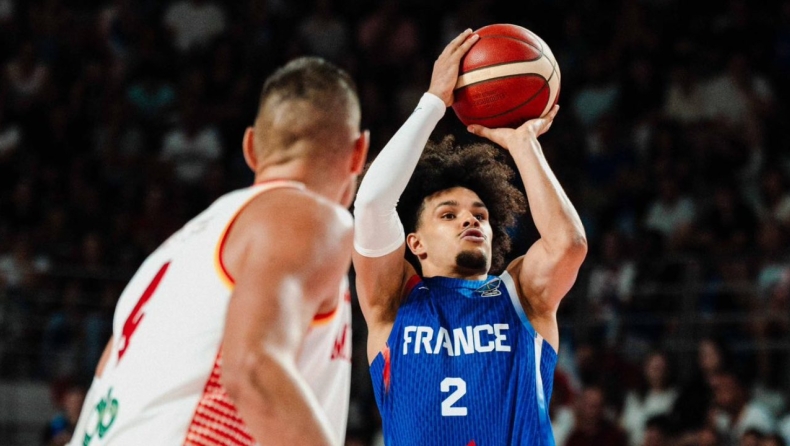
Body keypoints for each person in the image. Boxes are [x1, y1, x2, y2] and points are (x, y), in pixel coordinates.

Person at [68, 56, 369, 446]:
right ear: (358, 152)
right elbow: (253, 370)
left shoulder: (173, 253)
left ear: (250, 149)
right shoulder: (306, 216)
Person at [353, 29, 588, 445]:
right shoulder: (392, 300)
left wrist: (523, 144)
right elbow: (372, 204)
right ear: (415, 243)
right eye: (449, 214)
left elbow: (568, 244)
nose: (470, 220)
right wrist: (433, 103)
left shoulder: (521, 296)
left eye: (480, 215)